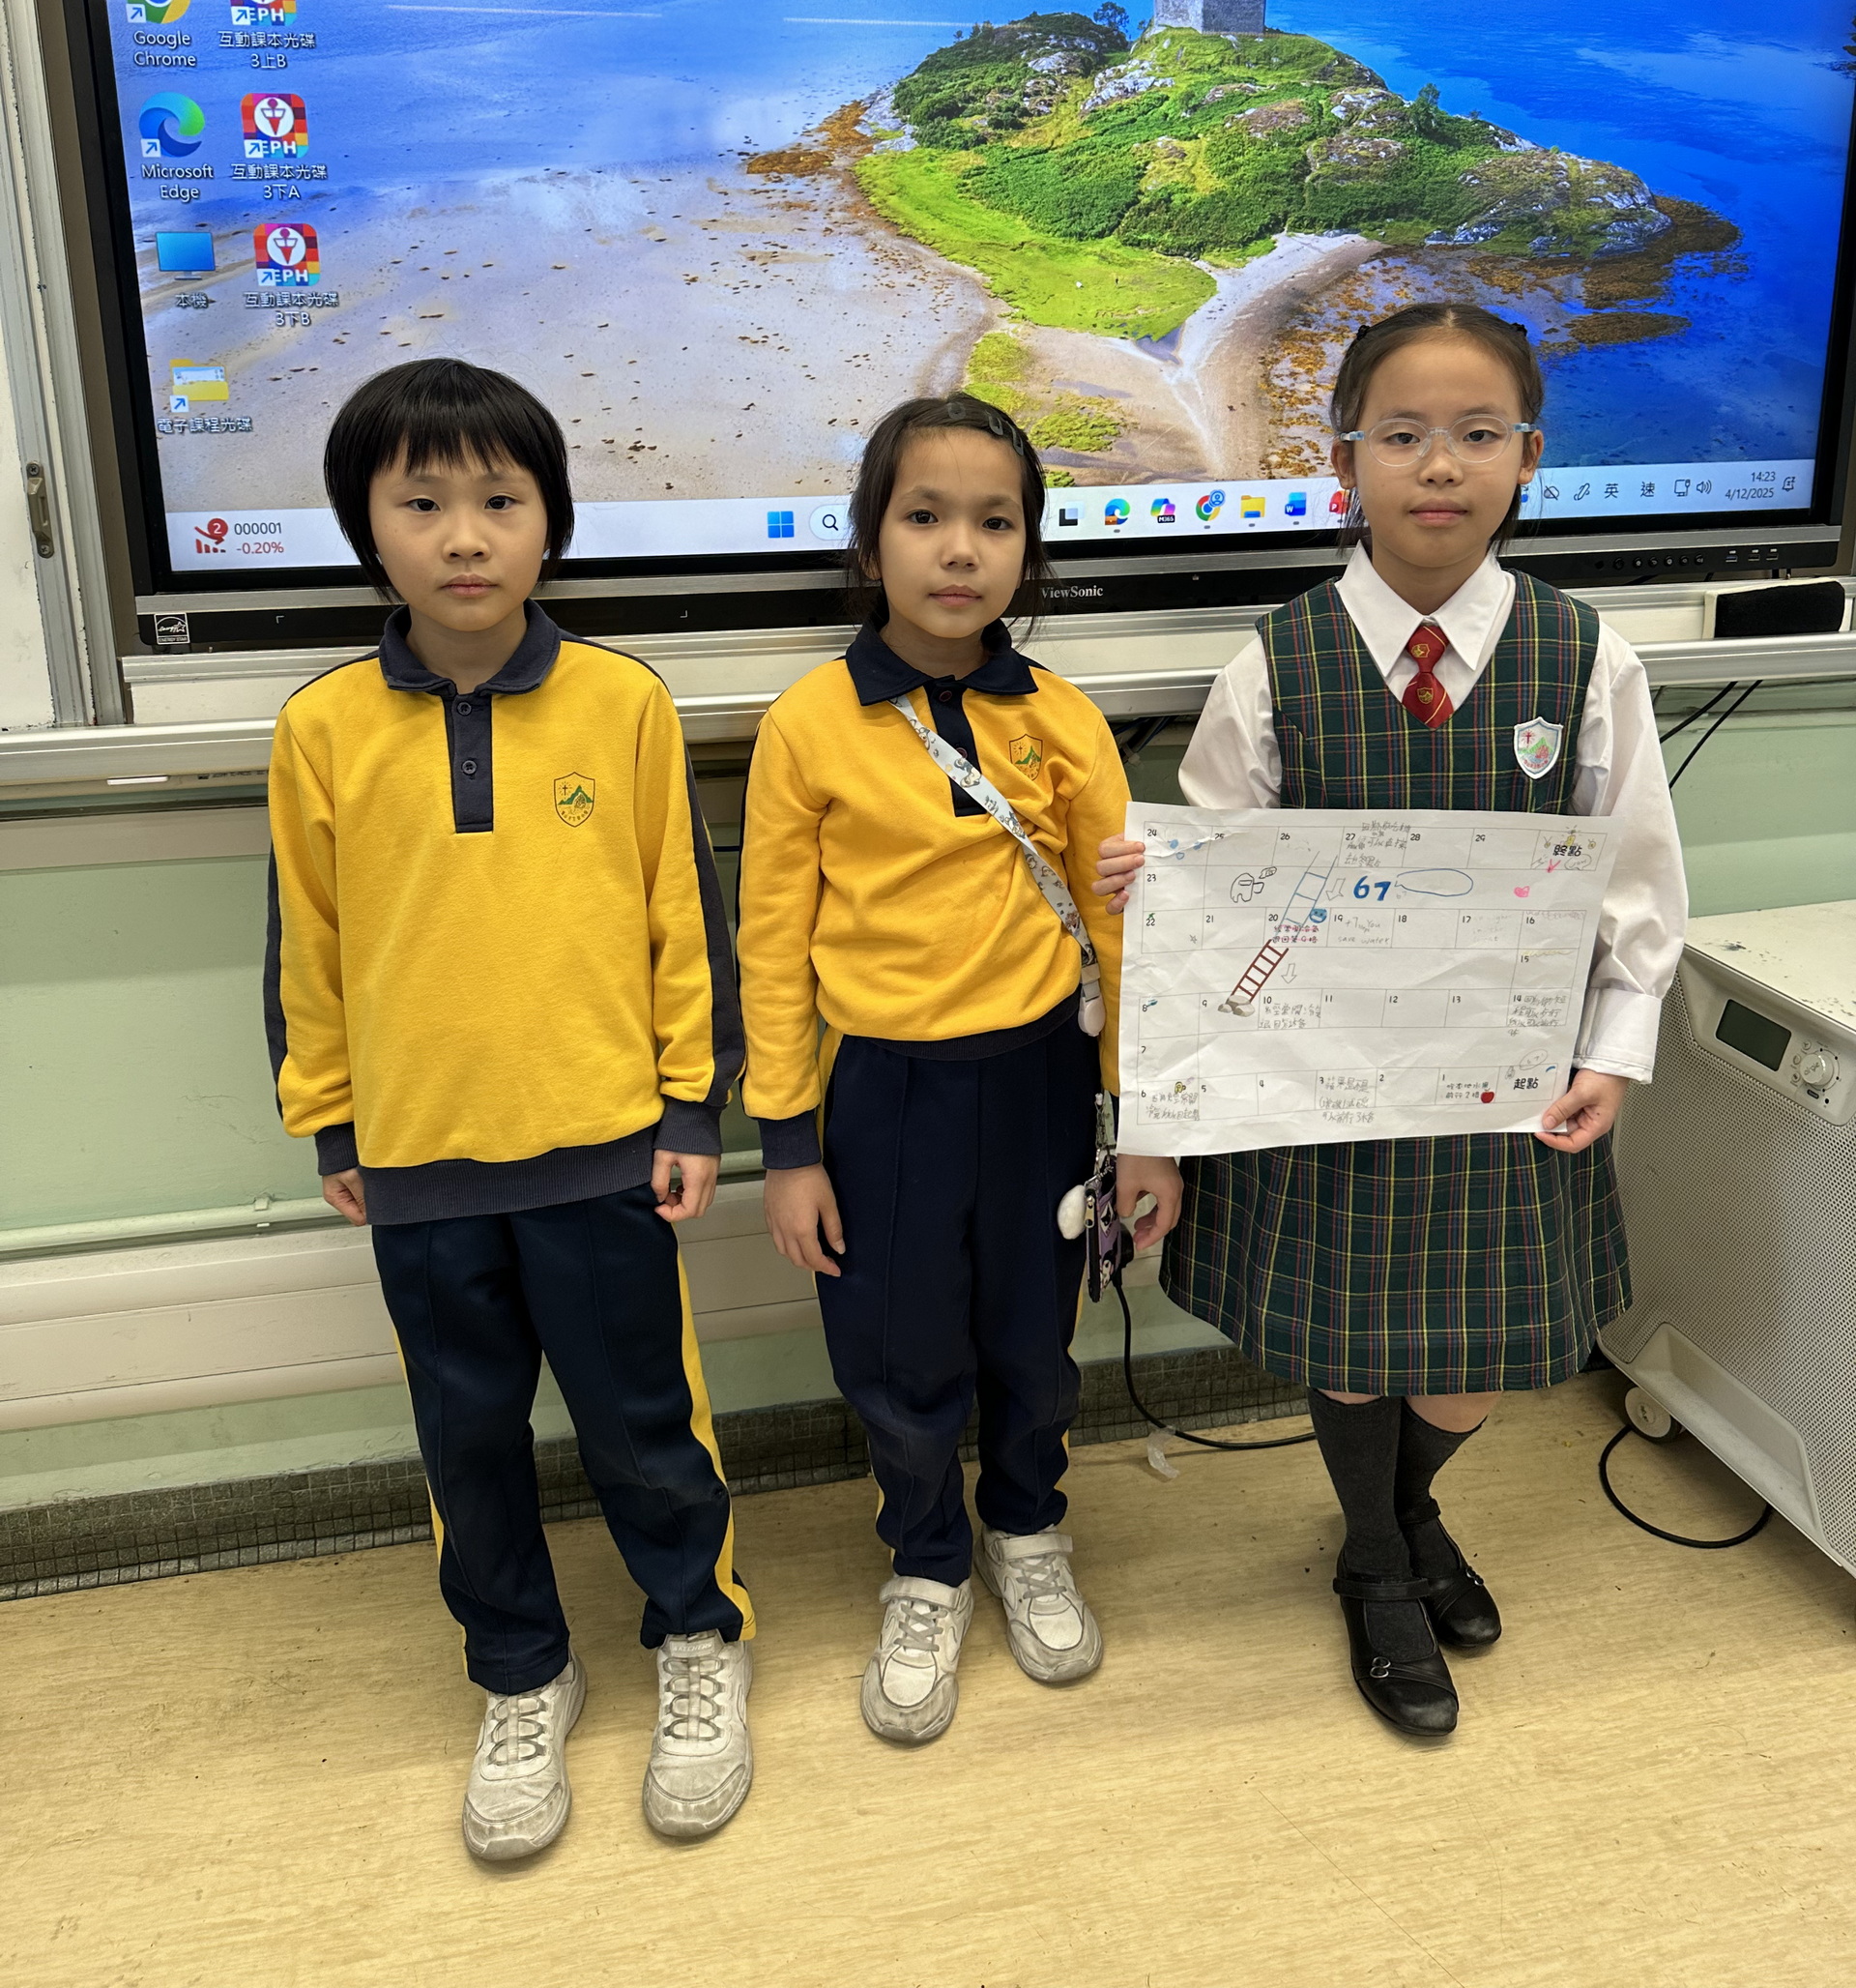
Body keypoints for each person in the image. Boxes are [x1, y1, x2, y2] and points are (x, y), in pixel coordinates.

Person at [1095, 303, 1686, 1738]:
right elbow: (1215, 899)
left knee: (1477, 1365)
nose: (1440, 465)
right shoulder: (1277, 661)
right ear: (1342, 457)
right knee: (1354, 1348)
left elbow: (1640, 886)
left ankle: (1407, 1518)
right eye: (1404, 435)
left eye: (1477, 434)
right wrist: (1160, 886)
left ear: (1529, 457)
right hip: (1325, 1093)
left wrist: (1614, 1056)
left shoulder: (1586, 659)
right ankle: (1376, 1559)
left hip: (1508, 1090)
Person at [266, 359, 755, 1856]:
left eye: (500, 500)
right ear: (368, 526)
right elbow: (308, 948)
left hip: (606, 1153)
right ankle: (521, 1670)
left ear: (551, 524)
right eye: (422, 504)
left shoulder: (623, 703)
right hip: (419, 1164)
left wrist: (691, 1111)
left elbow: (684, 923)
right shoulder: (322, 728)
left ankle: (698, 1636)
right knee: (467, 1445)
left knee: (646, 1429)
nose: (465, 536)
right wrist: (333, 1121)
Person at [736, 393, 1179, 1743]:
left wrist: (1145, 1120)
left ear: (1027, 551)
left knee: (1033, 1340)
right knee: (897, 1351)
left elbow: (1120, 934)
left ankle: (1027, 1529)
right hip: (882, 1097)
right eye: (924, 516)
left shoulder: (1066, 720)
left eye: (995, 523)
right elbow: (772, 946)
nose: (959, 549)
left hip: (1043, 1086)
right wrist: (788, 1146)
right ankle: (926, 1562)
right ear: (870, 540)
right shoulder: (808, 724)